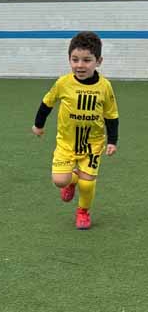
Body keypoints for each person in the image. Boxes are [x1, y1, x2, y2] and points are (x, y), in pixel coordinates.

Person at [31, 31, 119, 229]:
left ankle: (83, 212)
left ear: (99, 61)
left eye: (87, 60)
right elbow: (47, 103)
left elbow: (111, 115)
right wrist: (38, 125)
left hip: (93, 143)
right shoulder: (63, 83)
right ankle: (72, 181)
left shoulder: (105, 86)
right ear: (69, 59)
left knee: (87, 184)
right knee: (59, 181)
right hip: (66, 142)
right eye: (75, 59)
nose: (80, 65)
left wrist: (112, 141)